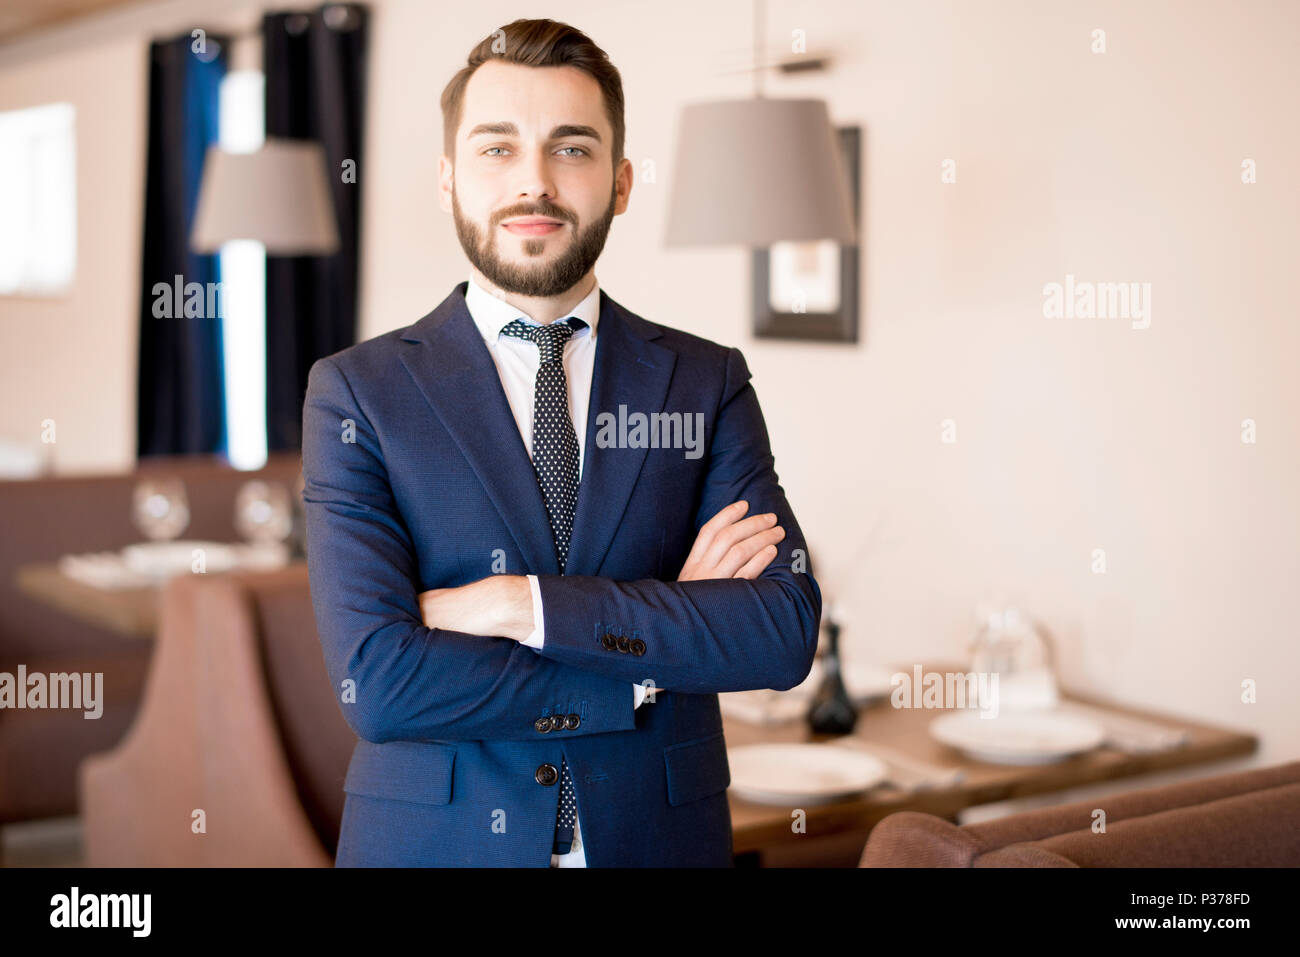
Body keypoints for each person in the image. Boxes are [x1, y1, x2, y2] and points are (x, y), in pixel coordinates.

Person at [302, 17, 821, 867]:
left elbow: (779, 630)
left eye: (571, 149)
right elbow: (382, 683)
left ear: (619, 182)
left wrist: (519, 604)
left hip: (659, 842)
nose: (534, 183)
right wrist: (654, 653)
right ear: (449, 179)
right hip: (437, 844)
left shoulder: (703, 380)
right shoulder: (358, 392)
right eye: (497, 149)